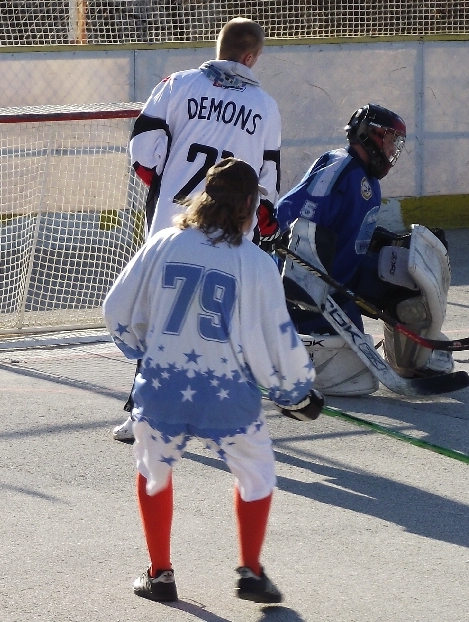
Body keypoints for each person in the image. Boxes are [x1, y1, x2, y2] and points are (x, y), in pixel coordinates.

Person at [103, 158, 323, 604]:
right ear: (248, 205)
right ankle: (251, 571)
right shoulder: (256, 263)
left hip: (163, 386)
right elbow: (276, 336)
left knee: (152, 470)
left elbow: (116, 308)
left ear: (204, 197)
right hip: (227, 394)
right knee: (256, 472)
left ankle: (160, 574)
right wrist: (295, 392)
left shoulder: (164, 242)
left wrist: (142, 349)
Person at [113, 17, 282, 442]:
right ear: (251, 58)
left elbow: (142, 149)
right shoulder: (265, 106)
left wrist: (165, 185)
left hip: (173, 226)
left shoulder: (177, 84)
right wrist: (264, 220)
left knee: (161, 316)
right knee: (222, 321)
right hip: (231, 233)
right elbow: (268, 178)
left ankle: (144, 416)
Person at [276, 104, 454, 396]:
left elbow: (348, 229)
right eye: (390, 139)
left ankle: (410, 359)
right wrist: (300, 282)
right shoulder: (339, 167)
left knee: (409, 279)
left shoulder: (367, 179)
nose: (393, 148)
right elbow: (291, 216)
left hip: (345, 274)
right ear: (368, 134)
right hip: (313, 290)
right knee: (355, 376)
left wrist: (388, 241)